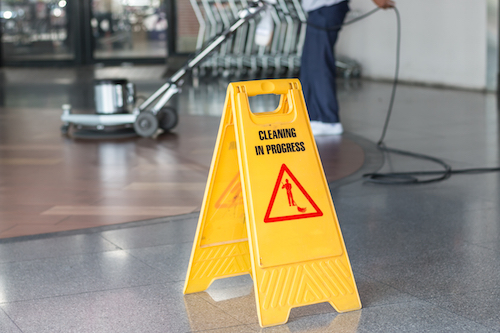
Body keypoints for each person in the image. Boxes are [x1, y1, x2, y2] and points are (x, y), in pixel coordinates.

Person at [300, 0, 395, 135]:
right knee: (310, 63)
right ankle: (313, 116)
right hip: (317, 9)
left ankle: (328, 121)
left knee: (319, 63)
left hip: (327, 7)